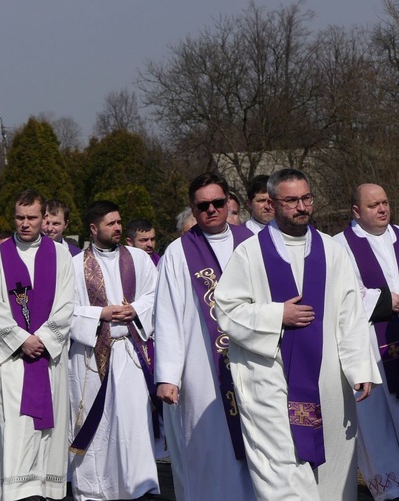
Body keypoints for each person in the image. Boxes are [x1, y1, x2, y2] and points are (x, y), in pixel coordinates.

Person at [215, 168, 381, 501]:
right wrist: (278, 314)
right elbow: (226, 311)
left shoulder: (332, 251)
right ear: (272, 204)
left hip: (328, 382)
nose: (301, 207)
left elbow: (351, 313)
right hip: (271, 383)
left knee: (333, 475)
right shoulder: (249, 253)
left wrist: (360, 366)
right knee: (284, 477)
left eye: (306, 198)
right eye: (291, 200)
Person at [154, 172, 256, 500]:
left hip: (255, 362)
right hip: (202, 368)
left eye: (217, 202)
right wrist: (168, 375)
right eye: (202, 205)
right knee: (209, 446)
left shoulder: (254, 243)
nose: (211, 210)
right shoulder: (178, 253)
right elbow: (167, 315)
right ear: (193, 208)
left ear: (228, 203)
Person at [333, 184, 399, 500]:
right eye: (373, 205)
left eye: (385, 203)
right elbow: (340, 294)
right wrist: (380, 301)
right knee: (379, 425)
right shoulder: (339, 246)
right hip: (370, 350)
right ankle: (394, 490)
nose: (382, 209)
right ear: (356, 211)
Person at [0, 189, 75, 501]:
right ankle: (18, 492)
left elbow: (66, 304)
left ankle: (44, 490)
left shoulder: (60, 255)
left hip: (48, 360)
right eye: (19, 217)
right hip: (13, 365)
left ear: (43, 217)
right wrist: (21, 341)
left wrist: (44, 340)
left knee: (48, 431)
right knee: (15, 429)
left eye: (32, 217)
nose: (25, 223)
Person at [69, 201, 160, 501]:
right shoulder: (74, 266)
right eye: (111, 223)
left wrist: (135, 309)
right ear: (93, 229)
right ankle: (96, 488)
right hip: (93, 357)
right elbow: (64, 312)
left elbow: (157, 294)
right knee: (102, 426)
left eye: (119, 222)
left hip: (131, 351)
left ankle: (141, 486)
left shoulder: (138, 259)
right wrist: (101, 314)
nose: (118, 228)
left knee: (135, 422)